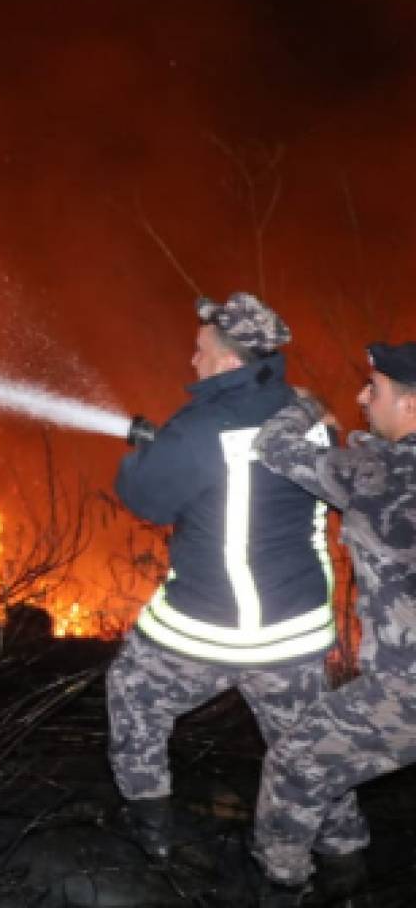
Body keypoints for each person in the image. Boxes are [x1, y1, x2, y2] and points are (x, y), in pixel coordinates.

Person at [107, 293, 367, 863]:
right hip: (295, 633)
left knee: (133, 694)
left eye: (200, 351)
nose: (192, 361)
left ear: (229, 362)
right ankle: (347, 856)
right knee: (307, 751)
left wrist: (146, 456)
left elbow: (146, 497)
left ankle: (150, 828)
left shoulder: (202, 426)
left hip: (211, 628)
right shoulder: (308, 417)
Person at [249, 341, 416, 894]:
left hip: (406, 692)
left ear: (411, 404)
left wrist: (306, 405)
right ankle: (348, 874)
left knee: (294, 763)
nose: (362, 398)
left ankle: (283, 889)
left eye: (375, 389)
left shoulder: (375, 472)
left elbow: (273, 446)